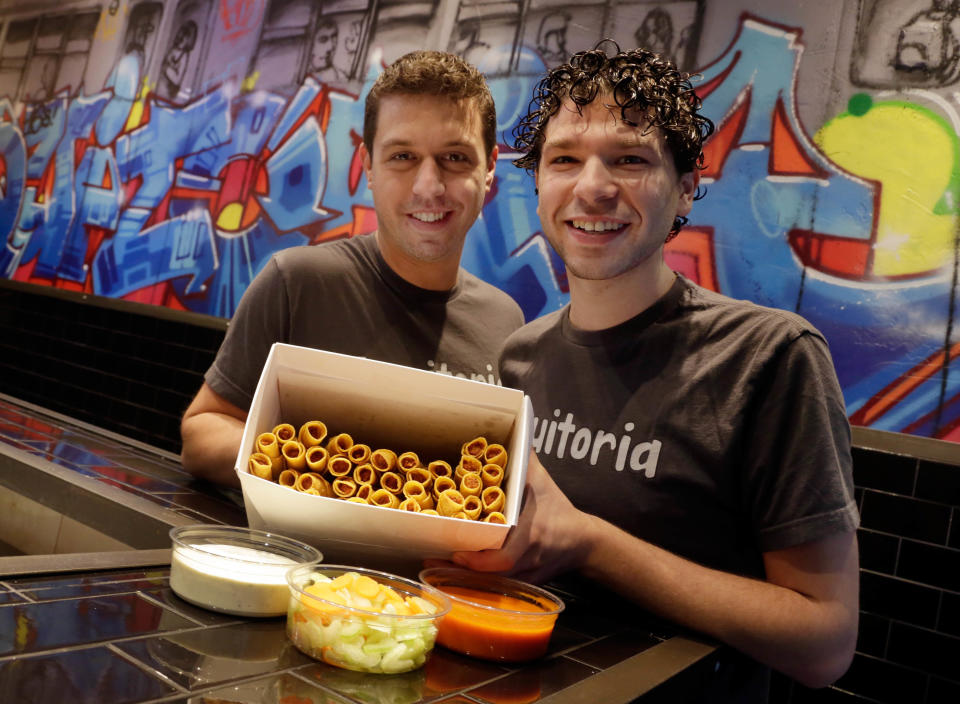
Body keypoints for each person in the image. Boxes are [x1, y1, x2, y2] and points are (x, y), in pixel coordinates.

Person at [452, 45, 860, 698]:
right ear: (538, 182)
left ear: (686, 185)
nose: (591, 186)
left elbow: (825, 641)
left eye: (630, 159)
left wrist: (588, 543)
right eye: (564, 159)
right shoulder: (520, 358)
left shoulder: (770, 356)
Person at [181, 51, 524, 487]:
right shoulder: (297, 283)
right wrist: (326, 469)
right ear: (367, 166)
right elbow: (201, 434)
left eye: (455, 157)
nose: (429, 186)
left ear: (490, 167)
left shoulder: (506, 322)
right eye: (402, 156)